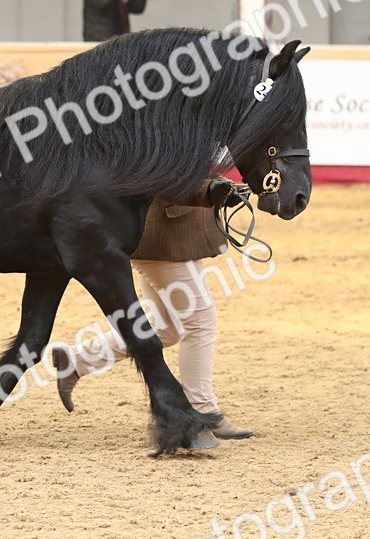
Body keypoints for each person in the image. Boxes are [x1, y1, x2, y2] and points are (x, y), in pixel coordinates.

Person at [51, 190, 255, 449]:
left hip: (171, 235)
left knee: (166, 327)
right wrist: (211, 187)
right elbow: (168, 171)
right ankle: (203, 410)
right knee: (200, 320)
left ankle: (79, 358)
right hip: (163, 237)